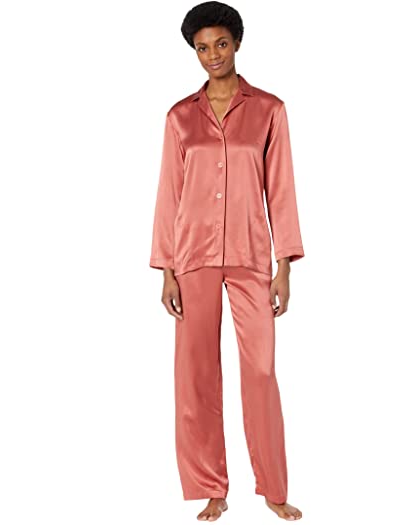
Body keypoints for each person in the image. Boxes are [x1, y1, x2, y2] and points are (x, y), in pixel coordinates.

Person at [149, 1, 304, 521]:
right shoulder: (179, 117)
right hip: (191, 256)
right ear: (193, 52)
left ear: (236, 43)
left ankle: (273, 487)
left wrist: (285, 264)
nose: (212, 54)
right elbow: (169, 195)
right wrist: (166, 270)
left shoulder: (269, 110)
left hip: (250, 255)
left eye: (220, 43)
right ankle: (211, 485)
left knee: (260, 371)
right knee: (195, 374)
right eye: (202, 48)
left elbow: (280, 189)